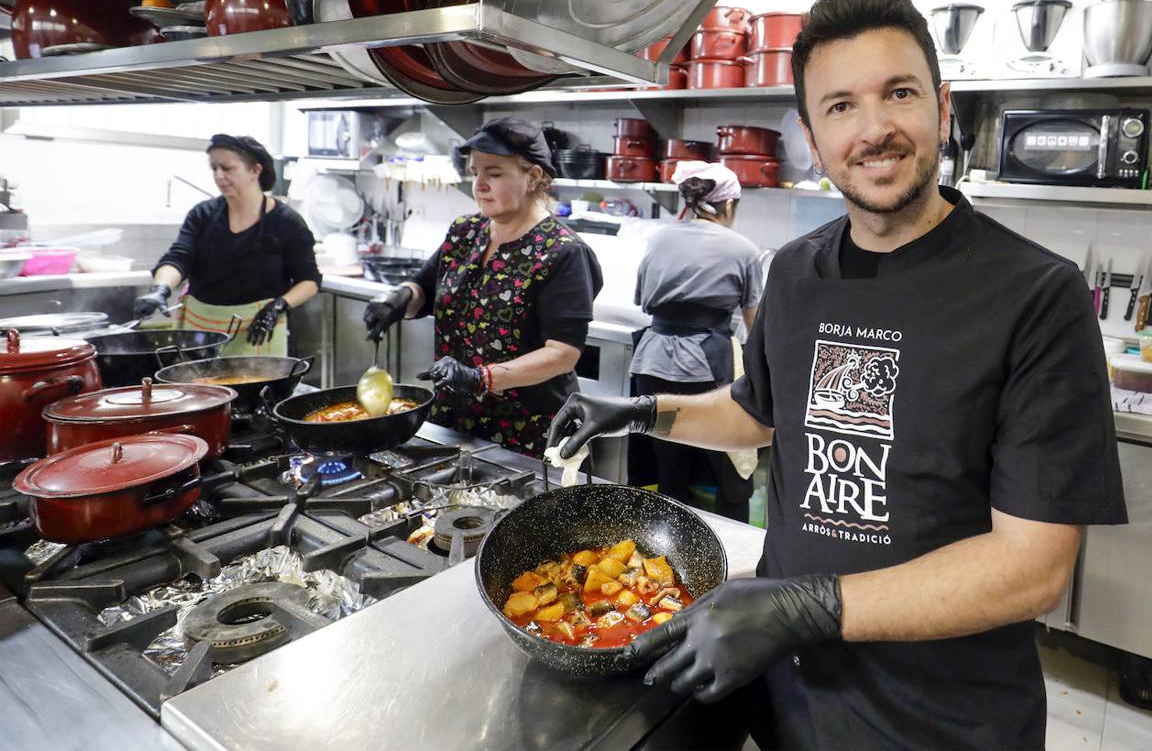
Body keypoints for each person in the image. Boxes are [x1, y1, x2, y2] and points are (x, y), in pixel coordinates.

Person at [547, 0, 1128, 749]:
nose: (876, 128)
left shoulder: (1036, 295)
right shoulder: (794, 272)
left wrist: (803, 606)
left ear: (942, 107)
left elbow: (1033, 569)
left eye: (899, 93)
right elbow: (760, 415)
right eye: (841, 106)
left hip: (942, 721)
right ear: (812, 138)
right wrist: (644, 410)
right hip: (789, 696)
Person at [363, 117, 602, 457]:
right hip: (455, 421)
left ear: (533, 177)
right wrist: (399, 299)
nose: (479, 185)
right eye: (475, 172)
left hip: (528, 432)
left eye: (494, 173)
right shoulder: (465, 232)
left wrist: (481, 379)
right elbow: (423, 290)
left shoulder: (563, 251)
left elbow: (563, 353)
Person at [629, 161, 762, 522]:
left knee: (669, 473)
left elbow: (642, 300)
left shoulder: (657, 239)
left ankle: (668, 553)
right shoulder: (743, 249)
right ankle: (736, 559)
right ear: (730, 205)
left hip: (651, 362)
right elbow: (755, 325)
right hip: (709, 367)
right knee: (729, 476)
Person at [132, 134, 321, 357]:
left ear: (255, 170)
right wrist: (160, 289)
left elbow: (309, 280)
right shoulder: (203, 214)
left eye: (227, 168)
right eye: (214, 168)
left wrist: (278, 306)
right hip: (199, 332)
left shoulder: (286, 222)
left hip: (257, 332)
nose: (219, 176)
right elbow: (178, 258)